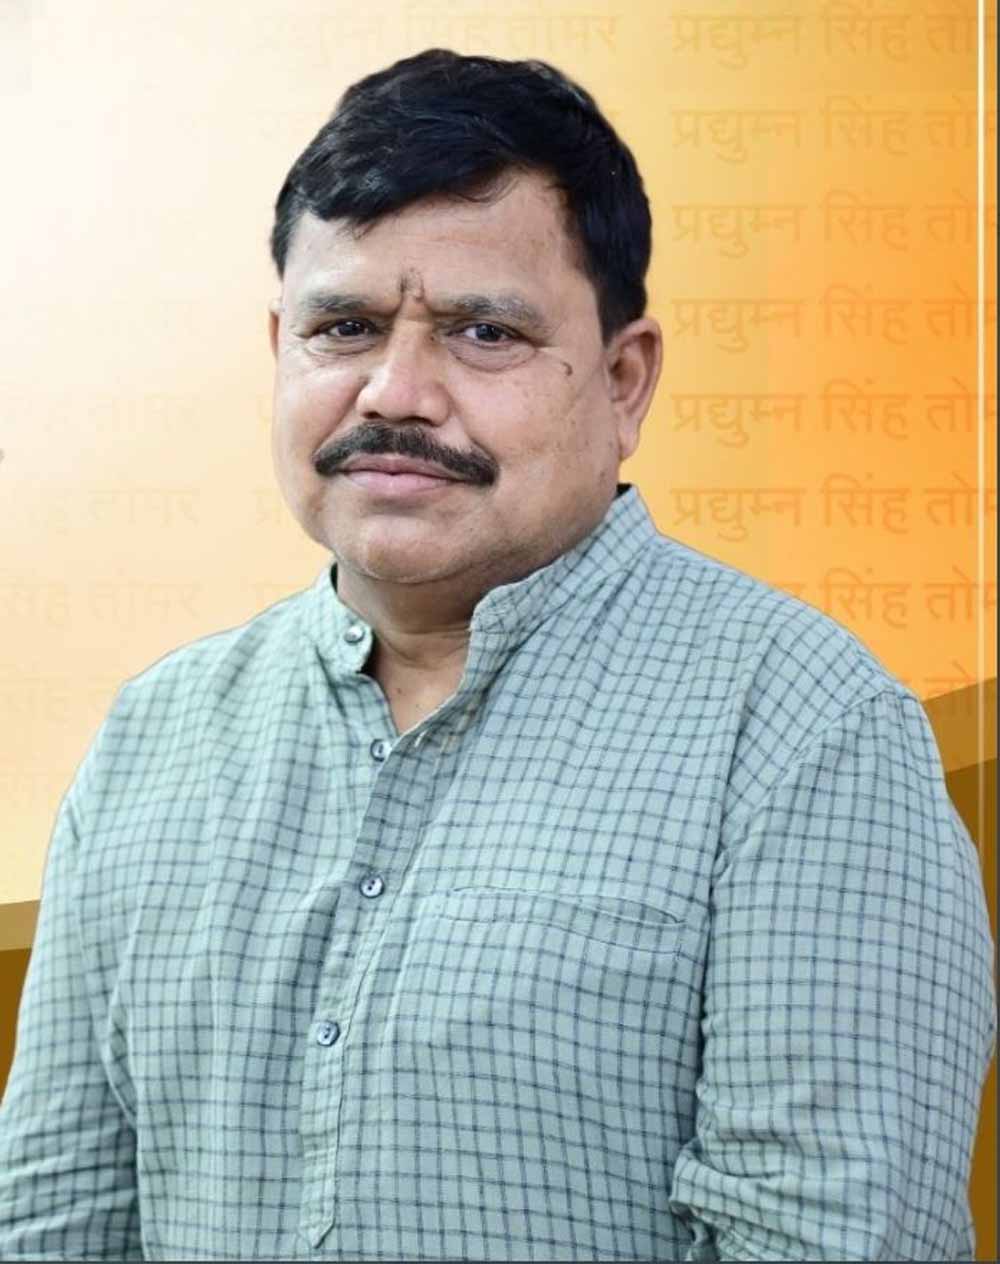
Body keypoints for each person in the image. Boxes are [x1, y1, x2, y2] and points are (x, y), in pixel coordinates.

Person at [0, 48, 995, 1263]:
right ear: (279, 350)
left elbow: (831, 1238)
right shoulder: (156, 735)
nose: (395, 393)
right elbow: (51, 1224)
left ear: (624, 381)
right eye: (344, 327)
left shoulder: (800, 730)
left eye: (483, 332)